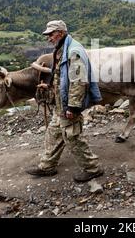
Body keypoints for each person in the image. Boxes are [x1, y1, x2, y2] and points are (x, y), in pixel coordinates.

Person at [26, 20, 104, 182]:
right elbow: (61, 75)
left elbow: (78, 82)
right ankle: (47, 166)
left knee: (72, 136)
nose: (48, 38)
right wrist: (48, 85)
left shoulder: (73, 51)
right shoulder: (62, 49)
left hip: (68, 105)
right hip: (60, 104)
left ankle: (92, 168)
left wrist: (73, 107)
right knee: (54, 133)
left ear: (60, 33)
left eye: (51, 34)